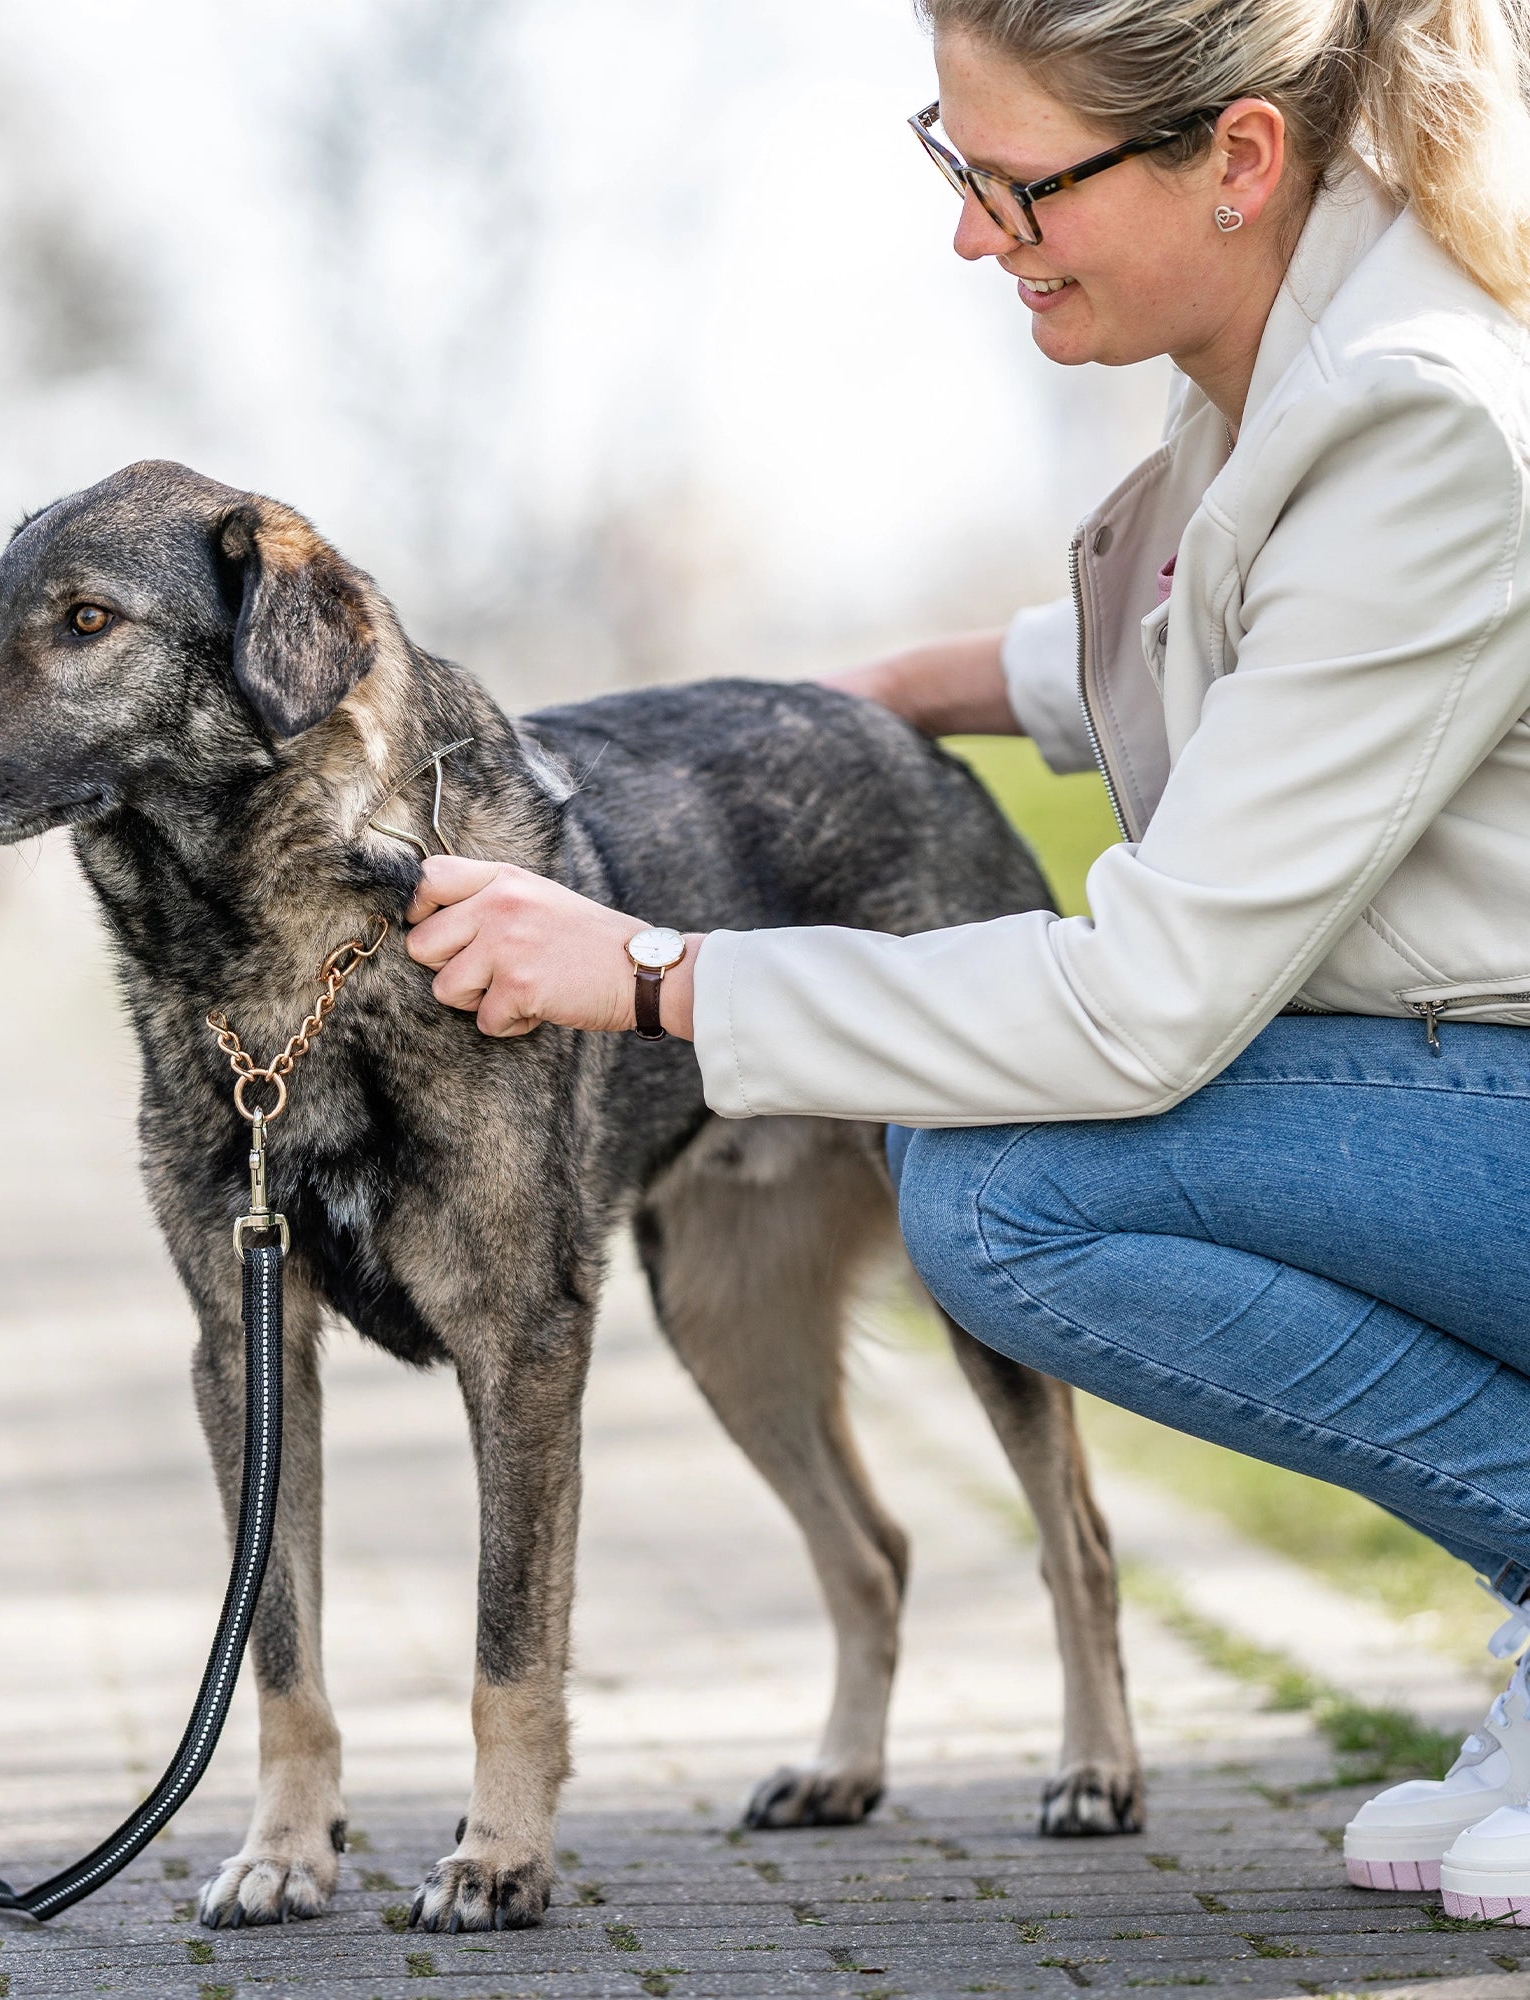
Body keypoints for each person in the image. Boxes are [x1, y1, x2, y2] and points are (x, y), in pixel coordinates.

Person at [401, 0, 1530, 1923]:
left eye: (1014, 185)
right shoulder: (1300, 340)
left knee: (1006, 1196)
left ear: (1237, 163)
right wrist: (869, 691)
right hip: (1456, 1086)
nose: (970, 233)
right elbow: (1239, 634)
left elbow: (1135, 1000)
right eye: (957, 164)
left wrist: (663, 977)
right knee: (994, 1170)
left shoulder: (1422, 406)